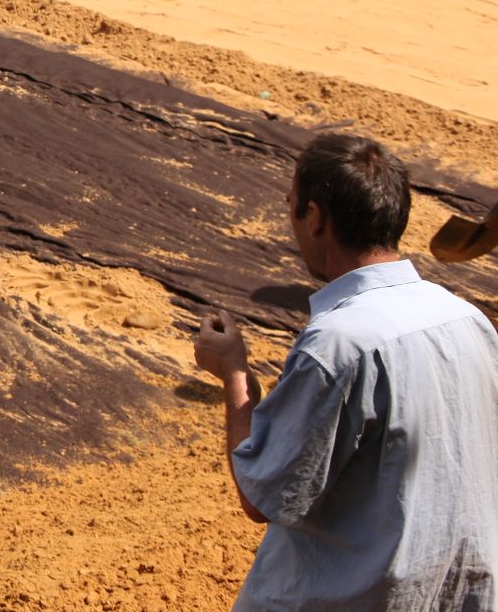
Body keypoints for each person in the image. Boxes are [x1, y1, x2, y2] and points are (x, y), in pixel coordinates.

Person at [192, 132, 498, 610]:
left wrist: (235, 375)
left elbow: (262, 496)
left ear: (315, 219)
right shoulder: (468, 319)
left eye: (292, 206)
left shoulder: (339, 344)